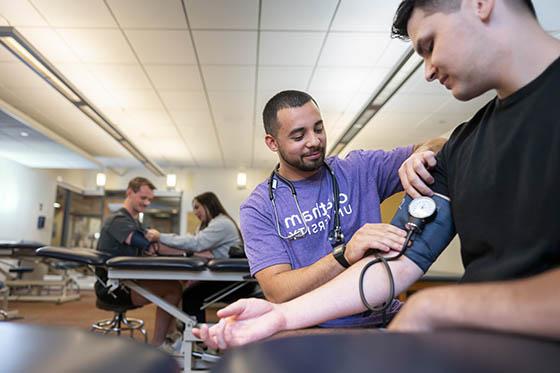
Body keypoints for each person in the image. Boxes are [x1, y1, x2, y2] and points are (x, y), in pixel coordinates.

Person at [194, 0, 560, 348]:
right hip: (488, 351)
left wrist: (442, 307)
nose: (428, 70)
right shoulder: (465, 146)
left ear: (480, 4)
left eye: (429, 45)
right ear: (272, 143)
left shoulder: (371, 166)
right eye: (298, 134)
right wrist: (282, 316)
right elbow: (399, 263)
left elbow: (426, 148)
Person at [211, 89, 445, 329]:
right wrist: (345, 254)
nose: (314, 141)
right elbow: (277, 291)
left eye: (319, 128)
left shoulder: (359, 168)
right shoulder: (259, 207)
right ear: (272, 142)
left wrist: (421, 156)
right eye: (298, 135)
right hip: (312, 326)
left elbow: (439, 144)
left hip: (382, 317)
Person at [94, 177, 182, 347]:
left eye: (150, 199)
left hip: (127, 281)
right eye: (143, 198)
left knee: (174, 284)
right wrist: (188, 250)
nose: (147, 203)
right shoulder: (118, 220)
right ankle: (158, 345)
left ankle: (172, 336)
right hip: (112, 288)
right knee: (173, 289)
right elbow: (149, 244)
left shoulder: (134, 222)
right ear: (129, 193)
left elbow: (153, 245)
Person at [145, 192, 255, 322]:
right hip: (226, 275)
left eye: (197, 207)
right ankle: (189, 334)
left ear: (208, 204)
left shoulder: (222, 223)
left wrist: (160, 237)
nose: (195, 212)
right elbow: (197, 247)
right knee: (187, 293)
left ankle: (196, 337)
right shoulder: (208, 225)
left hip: (236, 280)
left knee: (191, 295)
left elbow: (195, 243)